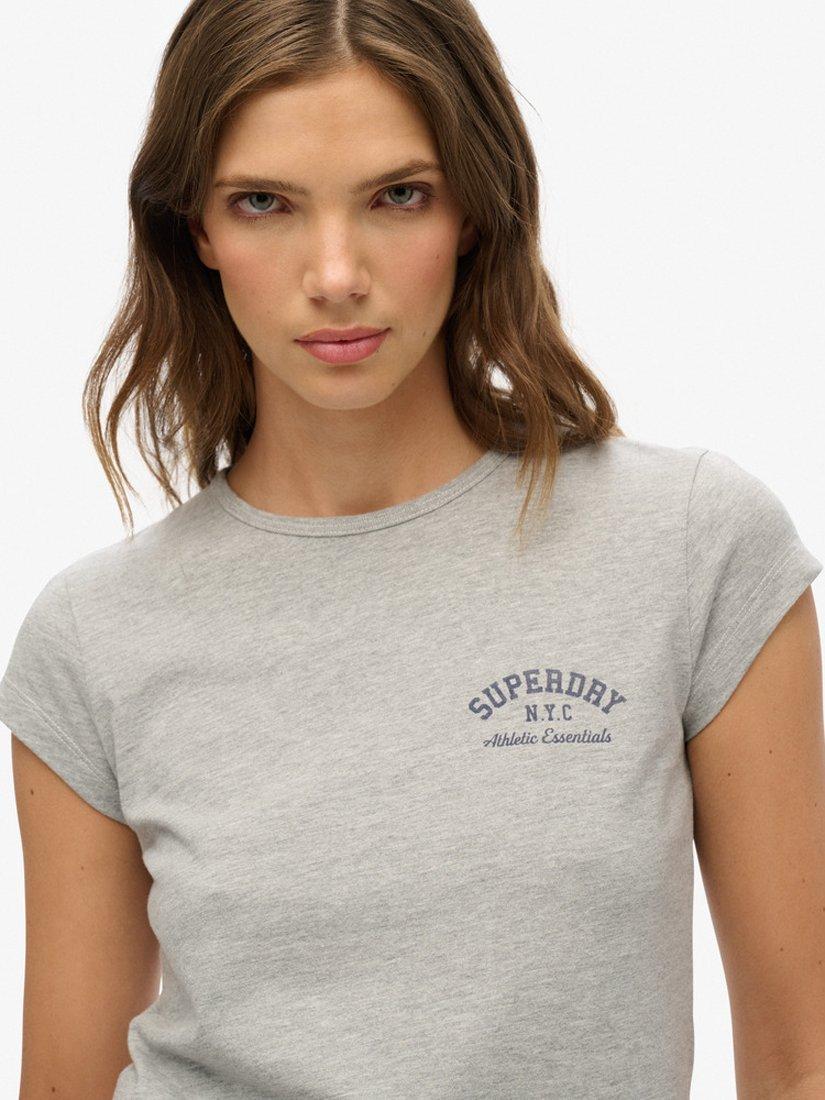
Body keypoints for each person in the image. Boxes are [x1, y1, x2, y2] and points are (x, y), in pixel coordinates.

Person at [2, 1, 824, 1097]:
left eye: (398, 195)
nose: (336, 272)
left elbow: (801, 1059)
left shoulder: (693, 546)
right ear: (194, 229)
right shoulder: (92, 636)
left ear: (474, 208)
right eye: (263, 203)